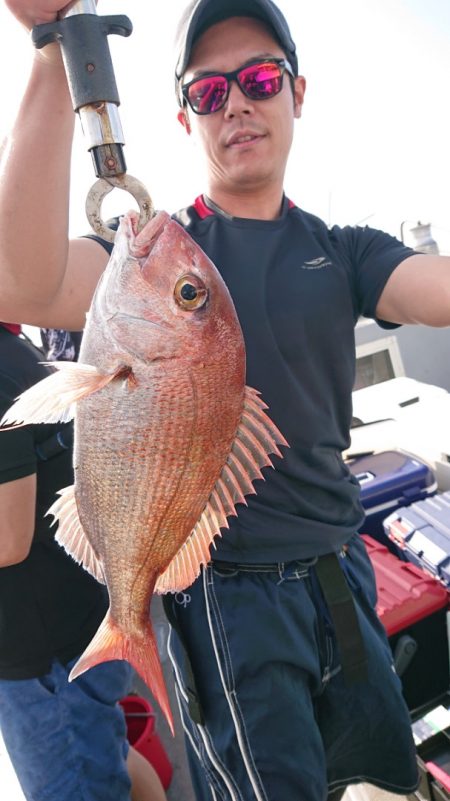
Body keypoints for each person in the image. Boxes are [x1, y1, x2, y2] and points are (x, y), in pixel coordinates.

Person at [1, 0, 450, 798]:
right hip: (222, 599)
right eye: (210, 93)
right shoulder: (156, 253)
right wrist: (48, 57)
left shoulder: (341, 250)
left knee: (383, 778)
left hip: (343, 571)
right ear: (184, 119)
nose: (237, 103)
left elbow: (435, 289)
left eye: (260, 79)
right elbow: (22, 278)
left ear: (297, 93)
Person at [0, 323, 167, 801]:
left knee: (86, 769)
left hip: (47, 665)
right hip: (77, 634)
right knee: (110, 754)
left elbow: (9, 539)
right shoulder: (15, 350)